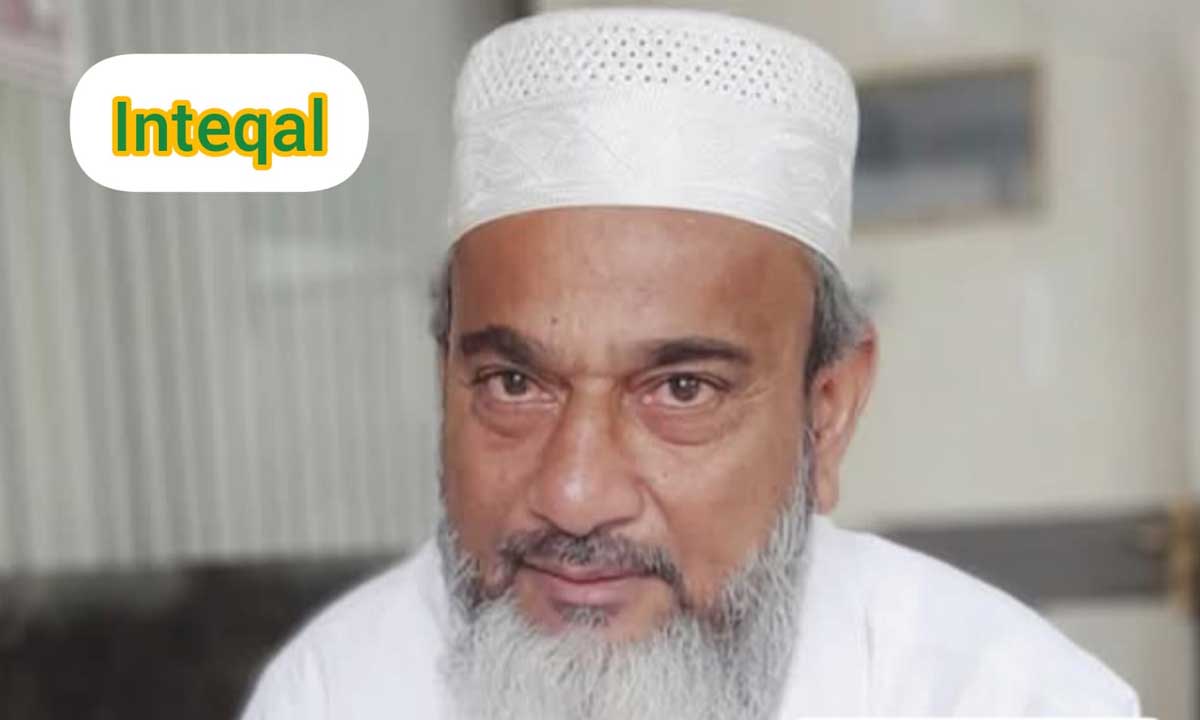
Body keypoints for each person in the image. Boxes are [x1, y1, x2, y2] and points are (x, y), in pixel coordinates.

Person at [241, 8, 1139, 719]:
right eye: (515, 384)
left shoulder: (1012, 701)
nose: (576, 495)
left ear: (826, 412)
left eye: (681, 389)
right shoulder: (336, 690)